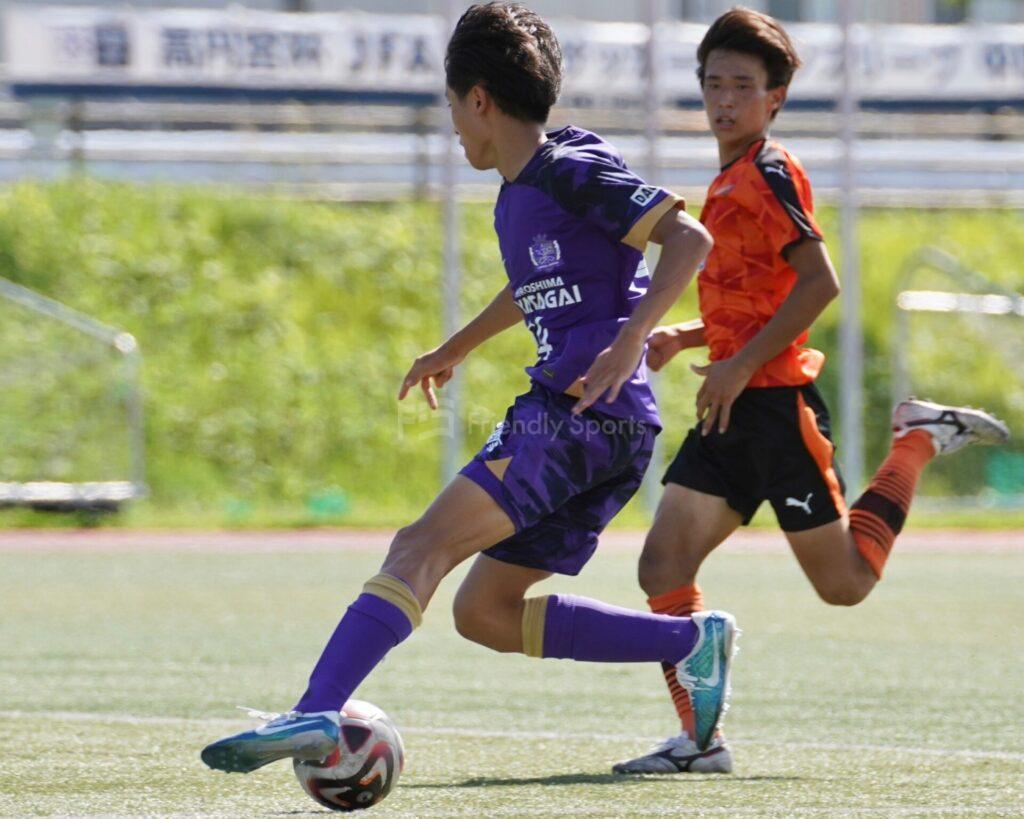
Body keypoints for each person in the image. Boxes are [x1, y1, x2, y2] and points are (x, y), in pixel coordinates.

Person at [201, 2, 738, 776]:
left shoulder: (570, 169)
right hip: (606, 426)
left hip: (578, 416)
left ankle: (316, 707)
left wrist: (629, 341)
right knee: (484, 612)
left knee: (419, 545)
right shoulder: (522, 189)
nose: (453, 127)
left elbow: (689, 239)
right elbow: (538, 283)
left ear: (479, 99)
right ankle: (691, 640)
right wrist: (455, 346)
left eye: (452, 106)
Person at [610, 7, 1010, 776]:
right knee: (662, 564)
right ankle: (700, 740)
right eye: (714, 83)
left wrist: (737, 364)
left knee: (846, 584)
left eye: (743, 85)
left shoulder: (767, 170)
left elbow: (819, 282)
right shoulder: (728, 176)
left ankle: (915, 441)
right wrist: (688, 338)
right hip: (729, 405)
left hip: (773, 407)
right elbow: (754, 295)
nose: (725, 99)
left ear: (776, 98)